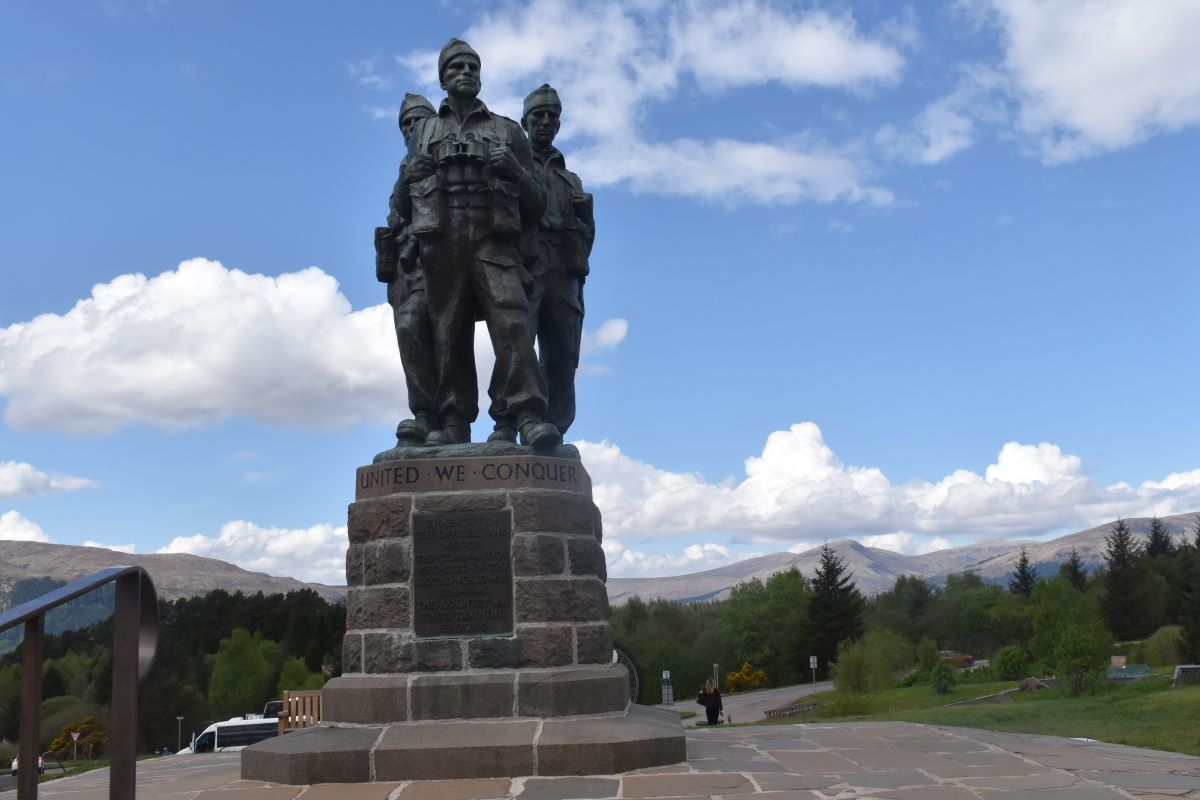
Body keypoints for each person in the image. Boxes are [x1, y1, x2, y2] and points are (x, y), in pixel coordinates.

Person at [396, 38, 559, 449]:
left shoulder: (506, 130)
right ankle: (453, 420)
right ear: (443, 79)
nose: (465, 73)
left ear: (480, 75)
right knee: (447, 334)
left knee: (514, 322)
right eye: (456, 68)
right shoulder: (425, 132)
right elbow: (402, 207)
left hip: (493, 241)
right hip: (442, 243)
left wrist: (516, 174)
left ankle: (526, 414)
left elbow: (538, 207)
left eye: (471, 67)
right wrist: (407, 175)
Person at [521, 84, 593, 436]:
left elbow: (588, 239)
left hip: (564, 272)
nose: (547, 122)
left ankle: (554, 429)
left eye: (553, 117)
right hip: (527, 267)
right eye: (539, 116)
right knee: (517, 347)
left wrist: (586, 219)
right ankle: (516, 419)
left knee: (564, 357)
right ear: (525, 122)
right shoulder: (514, 167)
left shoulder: (571, 179)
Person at [378, 93, 439, 446]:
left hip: (451, 258)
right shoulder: (405, 167)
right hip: (410, 268)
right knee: (411, 327)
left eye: (417, 121)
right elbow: (396, 214)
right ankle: (425, 414)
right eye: (405, 124)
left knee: (450, 341)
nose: (411, 129)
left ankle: (456, 420)